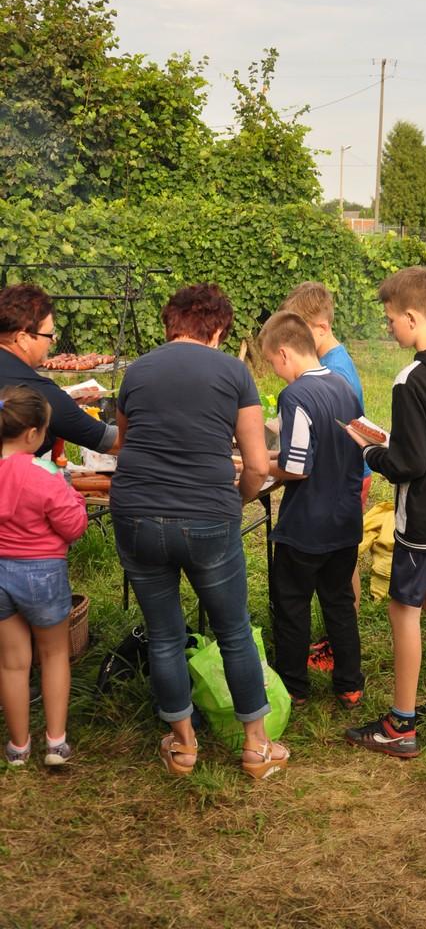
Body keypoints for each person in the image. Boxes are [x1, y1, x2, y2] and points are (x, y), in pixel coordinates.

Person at [110, 283, 289, 779]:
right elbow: (257, 464)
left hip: (136, 514)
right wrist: (238, 499)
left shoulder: (136, 371)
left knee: (165, 635)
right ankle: (256, 748)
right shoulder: (233, 371)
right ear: (217, 330)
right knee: (233, 631)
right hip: (208, 516)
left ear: (171, 325)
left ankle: (183, 746)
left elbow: (125, 445)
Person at [345, 266, 426, 758]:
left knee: (404, 610)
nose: (388, 328)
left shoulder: (411, 379)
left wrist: (368, 450)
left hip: (422, 519)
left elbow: (409, 463)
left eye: (389, 320)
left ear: (410, 317)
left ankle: (401, 723)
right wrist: (394, 444)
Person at [257, 310, 365, 709]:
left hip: (305, 527)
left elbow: (297, 467)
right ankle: (349, 684)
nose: (275, 371)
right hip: (344, 521)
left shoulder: (295, 396)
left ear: (284, 353)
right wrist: (275, 456)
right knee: (339, 602)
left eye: (272, 363)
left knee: (292, 604)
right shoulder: (343, 387)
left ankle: (294, 687)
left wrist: (260, 465)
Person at [279, 281, 371, 672]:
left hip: (338, 482)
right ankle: (343, 655)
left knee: (335, 574)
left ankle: (334, 646)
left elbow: (322, 444)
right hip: (341, 481)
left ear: (319, 328)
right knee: (338, 570)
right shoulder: (333, 365)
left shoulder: (334, 372)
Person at [0, 386, 88, 766]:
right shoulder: (46, 474)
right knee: (53, 655)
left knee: (11, 662)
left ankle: (18, 747)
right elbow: (73, 527)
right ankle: (55, 744)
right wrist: (74, 495)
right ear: (33, 433)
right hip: (42, 573)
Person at [0, 284, 118, 458]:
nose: (53, 341)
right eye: (49, 335)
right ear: (22, 339)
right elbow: (110, 441)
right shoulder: (36, 390)